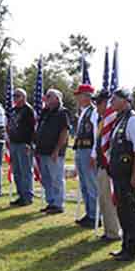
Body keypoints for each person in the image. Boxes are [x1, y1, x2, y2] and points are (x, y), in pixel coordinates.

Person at [107, 88, 135, 262]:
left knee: (129, 211)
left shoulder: (133, 120)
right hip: (118, 173)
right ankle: (125, 246)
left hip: (128, 173)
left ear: (125, 100)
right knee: (122, 210)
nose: (111, 103)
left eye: (115, 99)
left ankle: (133, 249)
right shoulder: (119, 119)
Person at [91, 89, 121, 241]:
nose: (96, 107)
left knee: (109, 200)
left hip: (111, 166)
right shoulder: (103, 120)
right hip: (102, 164)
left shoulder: (113, 119)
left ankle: (113, 232)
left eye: (98, 103)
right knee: (103, 199)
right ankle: (109, 230)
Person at [35, 89, 70, 214]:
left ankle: (58, 204)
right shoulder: (45, 112)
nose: (46, 99)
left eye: (49, 96)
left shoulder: (62, 112)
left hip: (54, 152)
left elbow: (64, 132)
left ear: (57, 98)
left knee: (56, 179)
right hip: (43, 151)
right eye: (46, 96)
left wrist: (57, 149)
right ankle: (51, 202)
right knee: (46, 179)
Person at [73, 84, 99, 227]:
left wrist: (94, 154)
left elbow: (96, 134)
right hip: (81, 149)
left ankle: (95, 215)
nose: (77, 98)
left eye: (79, 95)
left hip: (89, 150)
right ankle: (89, 213)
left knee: (91, 184)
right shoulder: (83, 112)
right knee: (84, 184)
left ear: (87, 96)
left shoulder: (94, 112)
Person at [7, 88, 36, 206]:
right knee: (17, 171)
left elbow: (33, 128)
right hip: (13, 143)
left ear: (24, 97)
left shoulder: (28, 110)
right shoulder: (13, 110)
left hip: (24, 144)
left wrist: (29, 143)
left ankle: (27, 196)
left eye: (17, 96)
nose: (15, 98)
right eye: (14, 96)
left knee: (25, 171)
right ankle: (21, 195)